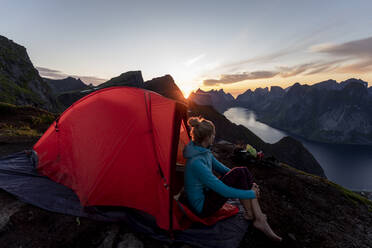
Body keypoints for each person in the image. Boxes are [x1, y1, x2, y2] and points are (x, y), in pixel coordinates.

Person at [182, 116, 282, 242]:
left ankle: (256, 217)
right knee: (240, 173)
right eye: (213, 135)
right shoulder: (196, 163)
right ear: (207, 137)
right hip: (203, 208)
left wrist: (248, 181)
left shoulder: (202, 151)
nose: (214, 137)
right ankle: (258, 218)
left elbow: (225, 170)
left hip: (207, 195)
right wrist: (250, 192)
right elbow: (224, 191)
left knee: (242, 171)